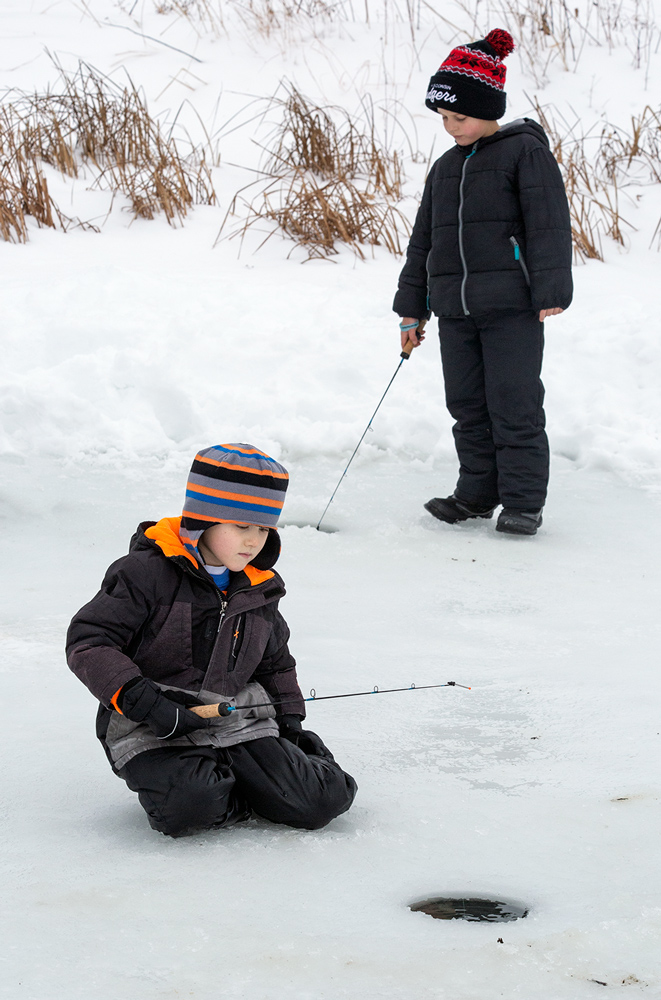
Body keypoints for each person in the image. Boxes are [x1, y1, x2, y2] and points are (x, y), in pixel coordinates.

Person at [66, 443, 357, 837]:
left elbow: (275, 661)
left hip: (236, 718)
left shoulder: (258, 586)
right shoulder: (144, 574)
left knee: (319, 803)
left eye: (263, 528)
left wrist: (289, 719)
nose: (254, 541)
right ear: (203, 520)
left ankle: (267, 774)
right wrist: (142, 699)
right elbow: (89, 641)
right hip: (153, 724)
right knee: (189, 810)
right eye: (241, 527)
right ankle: (222, 788)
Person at [393, 28, 573, 536]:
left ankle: (522, 502)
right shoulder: (445, 169)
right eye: (444, 118)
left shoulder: (524, 154)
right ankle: (476, 493)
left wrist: (550, 290)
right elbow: (423, 242)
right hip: (454, 310)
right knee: (467, 405)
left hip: (513, 306)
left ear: (488, 108)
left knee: (513, 402)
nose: (451, 128)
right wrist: (413, 310)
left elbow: (548, 224)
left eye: (460, 117)